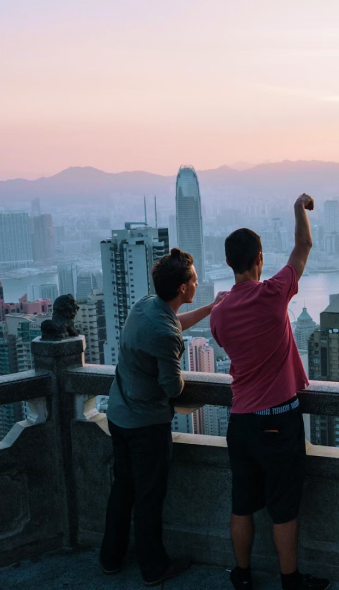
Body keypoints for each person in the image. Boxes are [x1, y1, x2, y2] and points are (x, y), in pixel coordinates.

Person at [211, 194, 329, 590]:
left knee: (242, 504)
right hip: (279, 419)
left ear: (230, 263)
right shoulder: (273, 294)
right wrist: (299, 208)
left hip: (240, 421)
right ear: (259, 259)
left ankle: (242, 576)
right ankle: (290, 582)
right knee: (282, 508)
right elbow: (304, 246)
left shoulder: (219, 313)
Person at [100, 248, 227, 586]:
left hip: (119, 413)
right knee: (149, 496)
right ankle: (154, 567)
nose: (198, 282)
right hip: (145, 425)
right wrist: (181, 364)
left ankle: (110, 557)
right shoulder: (164, 334)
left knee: (123, 488)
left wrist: (212, 308)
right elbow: (173, 387)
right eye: (195, 279)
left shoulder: (145, 306)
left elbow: (172, 323)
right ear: (183, 289)